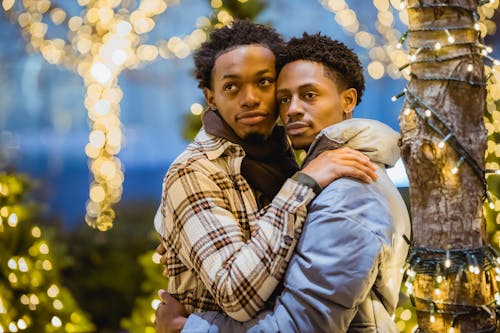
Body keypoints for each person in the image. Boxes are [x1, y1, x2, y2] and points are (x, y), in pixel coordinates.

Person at [155, 32, 411, 332]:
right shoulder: (196, 170)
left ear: (348, 99)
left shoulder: (336, 177)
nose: (250, 99)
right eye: (231, 87)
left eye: (264, 82)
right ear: (211, 98)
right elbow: (237, 293)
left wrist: (189, 329)